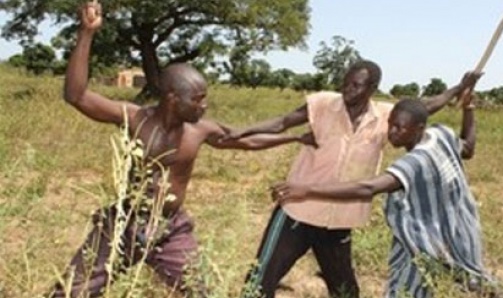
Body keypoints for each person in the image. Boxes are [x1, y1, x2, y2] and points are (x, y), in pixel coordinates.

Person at [48, 3, 310, 297]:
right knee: (71, 292)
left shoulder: (200, 130)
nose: (204, 106)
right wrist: (86, 33)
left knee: (198, 292)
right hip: (125, 223)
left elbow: (245, 140)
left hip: (171, 229)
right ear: (172, 98)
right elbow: (77, 95)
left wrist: (294, 138)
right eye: (197, 100)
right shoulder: (135, 118)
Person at [229, 58, 482, 297]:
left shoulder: (386, 117)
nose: (347, 90)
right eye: (345, 83)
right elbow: (282, 122)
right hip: (297, 210)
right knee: (260, 282)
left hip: (339, 218)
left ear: (372, 88)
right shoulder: (323, 103)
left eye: (356, 85)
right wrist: (242, 131)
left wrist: (460, 88)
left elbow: (424, 107)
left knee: (345, 291)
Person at [272, 88, 497, 298]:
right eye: (391, 124)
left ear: (419, 128)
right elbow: (467, 147)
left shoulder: (415, 162)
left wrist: (306, 188)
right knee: (465, 279)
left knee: (411, 289)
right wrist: (469, 110)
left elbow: (367, 187)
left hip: (427, 241)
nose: (392, 133)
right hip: (461, 229)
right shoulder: (441, 135)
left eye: (401, 128)